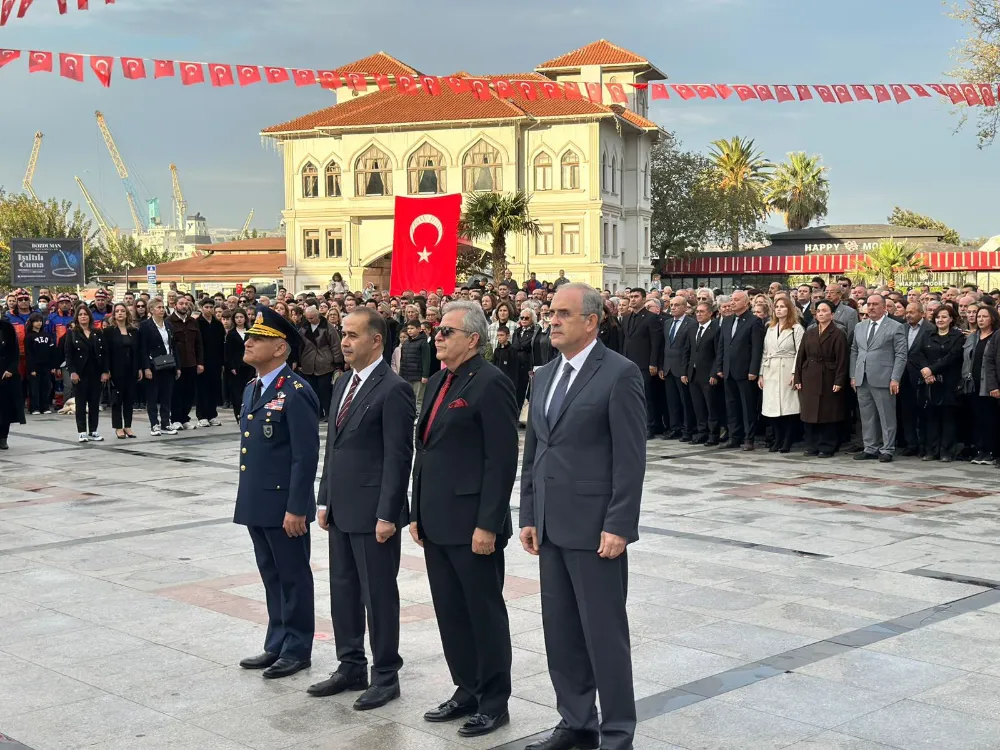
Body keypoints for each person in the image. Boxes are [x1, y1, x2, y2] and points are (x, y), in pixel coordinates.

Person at [520, 283, 645, 750]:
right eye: (550, 313)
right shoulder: (543, 375)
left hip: (595, 530)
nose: (552, 320)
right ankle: (576, 723)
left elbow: (630, 458)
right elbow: (535, 451)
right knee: (561, 633)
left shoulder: (619, 374)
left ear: (591, 321)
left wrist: (619, 524)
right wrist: (529, 513)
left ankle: (617, 734)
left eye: (563, 313)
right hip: (551, 526)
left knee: (604, 636)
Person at [410, 301, 518, 739]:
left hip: (473, 524)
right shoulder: (440, 379)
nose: (437, 336)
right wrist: (416, 511)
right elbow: (425, 449)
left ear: (473, 339)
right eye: (437, 329)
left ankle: (493, 701)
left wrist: (488, 523)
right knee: (451, 612)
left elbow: (501, 459)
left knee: (483, 613)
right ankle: (467, 689)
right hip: (436, 520)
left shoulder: (491, 382)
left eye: (447, 331)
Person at [308, 308, 415, 709]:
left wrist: (388, 513)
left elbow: (398, 457)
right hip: (341, 508)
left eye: (353, 335)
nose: (345, 342)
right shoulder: (342, 383)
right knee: (344, 590)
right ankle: (350, 664)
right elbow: (333, 447)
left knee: (378, 595)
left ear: (376, 340)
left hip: (374, 514)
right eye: (343, 334)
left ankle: (385, 675)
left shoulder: (394, 388)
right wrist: (325, 497)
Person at [236, 307, 320, 680]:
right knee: (271, 574)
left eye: (258, 338)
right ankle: (277, 642)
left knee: (293, 577)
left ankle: (298, 648)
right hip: (258, 501)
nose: (249, 342)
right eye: (249, 337)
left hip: (285, 506)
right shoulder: (252, 388)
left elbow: (305, 456)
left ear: (280, 348)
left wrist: (297, 507)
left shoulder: (296, 392)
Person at [850, 295, 907, 462]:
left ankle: (887, 449)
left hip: (884, 378)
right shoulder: (860, 326)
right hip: (862, 377)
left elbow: (901, 354)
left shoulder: (895, 327)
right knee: (867, 415)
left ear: (884, 307)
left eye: (875, 304)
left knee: (886, 415)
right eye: (869, 304)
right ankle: (870, 447)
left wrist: (895, 378)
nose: (871, 307)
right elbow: (854, 351)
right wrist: (853, 375)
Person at [911, 305, 965, 461]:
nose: (940, 320)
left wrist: (931, 369)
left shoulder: (957, 337)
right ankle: (932, 450)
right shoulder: (927, 334)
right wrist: (925, 371)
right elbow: (918, 354)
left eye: (944, 317)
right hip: (930, 382)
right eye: (938, 317)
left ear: (951, 319)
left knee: (948, 417)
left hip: (949, 382)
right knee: (931, 416)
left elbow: (952, 357)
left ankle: (947, 451)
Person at [795, 300, 848, 457]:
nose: (821, 314)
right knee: (809, 411)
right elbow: (800, 357)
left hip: (828, 376)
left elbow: (842, 360)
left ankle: (827, 446)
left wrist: (839, 381)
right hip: (809, 375)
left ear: (832, 314)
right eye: (818, 311)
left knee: (828, 412)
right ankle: (812, 445)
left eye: (825, 311)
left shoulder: (838, 334)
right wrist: (798, 378)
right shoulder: (809, 332)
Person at [716, 290, 765, 451]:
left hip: (745, 371)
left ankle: (749, 438)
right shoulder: (727, 320)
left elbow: (757, 348)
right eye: (732, 299)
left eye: (736, 300)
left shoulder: (754, 321)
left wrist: (753, 370)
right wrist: (720, 366)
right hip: (728, 370)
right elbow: (722, 345)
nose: (732, 302)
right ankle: (734, 437)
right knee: (731, 405)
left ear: (746, 303)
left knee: (747, 406)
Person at [760, 296, 803, 453]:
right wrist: (761, 374)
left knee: (788, 407)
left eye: (782, 307)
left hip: (787, 368)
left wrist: (795, 373)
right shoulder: (770, 328)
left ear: (789, 309)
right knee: (772, 408)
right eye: (777, 307)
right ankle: (778, 438)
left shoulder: (796, 328)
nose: (779, 309)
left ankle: (787, 440)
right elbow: (765, 352)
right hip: (771, 370)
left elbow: (800, 352)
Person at [622, 289, 664, 439]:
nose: (633, 299)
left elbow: (656, 342)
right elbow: (625, 340)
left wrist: (653, 363)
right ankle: (635, 424)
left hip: (645, 363)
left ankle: (650, 426)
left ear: (644, 299)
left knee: (647, 396)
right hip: (629, 362)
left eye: (636, 297)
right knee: (631, 396)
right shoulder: (626, 317)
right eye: (631, 297)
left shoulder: (652, 318)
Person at [64, 305, 110, 443]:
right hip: (80, 373)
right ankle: (82, 431)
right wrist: (72, 372)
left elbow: (105, 353)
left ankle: (93, 430)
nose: (83, 317)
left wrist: (105, 371)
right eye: (80, 314)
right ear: (77, 317)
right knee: (80, 403)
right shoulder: (72, 333)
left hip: (96, 372)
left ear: (89, 316)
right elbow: (68, 355)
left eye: (85, 314)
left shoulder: (97, 332)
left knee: (94, 403)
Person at [139, 299, 179, 437]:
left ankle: (165, 422)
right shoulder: (145, 326)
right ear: (151, 310)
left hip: (168, 363)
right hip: (153, 364)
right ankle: (154, 424)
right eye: (158, 307)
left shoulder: (168, 324)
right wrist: (146, 368)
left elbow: (173, 346)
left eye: (163, 307)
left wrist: (177, 366)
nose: (161, 310)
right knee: (152, 395)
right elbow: (143, 348)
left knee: (166, 395)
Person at [658, 295, 696, 441]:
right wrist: (662, 366)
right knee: (672, 401)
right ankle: (675, 428)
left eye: (677, 305)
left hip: (682, 368)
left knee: (685, 401)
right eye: (672, 305)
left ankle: (687, 429)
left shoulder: (691, 324)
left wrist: (686, 370)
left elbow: (690, 349)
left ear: (685, 307)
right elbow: (664, 346)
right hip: (668, 367)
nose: (673, 307)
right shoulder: (667, 323)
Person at [298, 306, 343, 421]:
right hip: (308, 362)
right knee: (312, 391)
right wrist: (298, 361)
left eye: (312, 318)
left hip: (325, 363)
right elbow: (299, 345)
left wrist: (338, 363)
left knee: (325, 390)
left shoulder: (327, 327)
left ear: (317, 316)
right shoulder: (303, 328)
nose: (310, 320)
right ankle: (317, 413)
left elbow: (335, 345)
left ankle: (328, 413)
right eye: (307, 318)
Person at [898, 302, 932, 457]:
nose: (908, 315)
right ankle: (911, 444)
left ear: (921, 313)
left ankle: (925, 444)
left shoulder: (930, 328)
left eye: (912, 312)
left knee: (924, 412)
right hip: (904, 376)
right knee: (907, 411)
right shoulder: (902, 328)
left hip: (922, 375)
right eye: (907, 312)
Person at [688, 302, 723, 445]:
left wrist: (714, 373)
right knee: (698, 406)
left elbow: (718, 353)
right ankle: (701, 432)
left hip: (708, 374)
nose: (698, 314)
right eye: (697, 311)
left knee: (711, 406)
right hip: (693, 373)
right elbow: (688, 350)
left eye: (702, 311)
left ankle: (713, 434)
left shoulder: (715, 329)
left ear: (710, 313)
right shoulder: (693, 328)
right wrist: (685, 371)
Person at [105, 303, 141, 439]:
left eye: (122, 311)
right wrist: (106, 369)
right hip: (116, 369)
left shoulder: (134, 331)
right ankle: (118, 427)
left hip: (131, 369)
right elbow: (106, 352)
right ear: (114, 314)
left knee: (129, 398)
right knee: (117, 399)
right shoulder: (109, 331)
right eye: (117, 311)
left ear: (127, 314)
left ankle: (128, 425)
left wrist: (139, 368)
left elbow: (137, 351)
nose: (120, 313)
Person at [168, 296, 204, 431]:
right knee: (177, 392)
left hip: (191, 362)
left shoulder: (192, 322)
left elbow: (198, 343)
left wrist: (200, 362)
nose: (184, 306)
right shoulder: (169, 321)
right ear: (175, 305)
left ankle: (185, 418)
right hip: (178, 363)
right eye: (181, 303)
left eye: (186, 303)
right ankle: (175, 419)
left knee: (189, 392)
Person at [196, 299, 226, 427]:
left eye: (211, 307)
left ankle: (212, 415)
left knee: (214, 388)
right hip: (202, 361)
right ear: (201, 308)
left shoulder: (218, 324)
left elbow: (221, 344)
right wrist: (198, 362)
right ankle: (202, 416)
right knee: (202, 389)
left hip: (216, 361)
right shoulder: (197, 323)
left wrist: (222, 362)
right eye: (206, 307)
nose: (209, 309)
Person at [0, 317, 25, 450]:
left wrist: (11, 369)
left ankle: (3, 438)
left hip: (6, 374)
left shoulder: (7, 328)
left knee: (5, 408)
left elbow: (15, 352)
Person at [398, 319, 432, 414]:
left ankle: (418, 416)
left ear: (419, 329)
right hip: (406, 375)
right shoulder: (406, 343)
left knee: (418, 398)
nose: (409, 330)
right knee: (407, 397)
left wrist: (425, 375)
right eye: (408, 328)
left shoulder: (423, 343)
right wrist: (400, 374)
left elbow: (426, 360)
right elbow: (402, 360)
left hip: (418, 376)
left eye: (412, 328)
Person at [25, 313, 56, 415]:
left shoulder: (47, 335)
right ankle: (35, 408)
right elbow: (29, 354)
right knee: (34, 388)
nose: (39, 323)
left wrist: (53, 366)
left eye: (40, 321)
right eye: (36, 321)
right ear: (32, 323)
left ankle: (45, 407)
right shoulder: (29, 336)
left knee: (46, 387)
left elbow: (52, 351)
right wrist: (32, 368)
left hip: (46, 365)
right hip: (35, 366)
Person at [511, 308, 537, 417]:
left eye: (527, 318)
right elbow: (514, 345)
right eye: (522, 318)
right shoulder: (517, 331)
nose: (524, 320)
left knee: (526, 393)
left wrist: (520, 346)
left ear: (532, 319)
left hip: (527, 366)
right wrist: (520, 347)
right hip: (516, 366)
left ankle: (524, 416)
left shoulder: (535, 332)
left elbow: (525, 345)